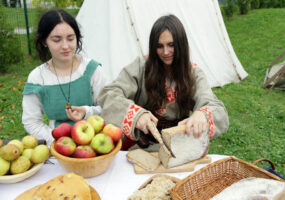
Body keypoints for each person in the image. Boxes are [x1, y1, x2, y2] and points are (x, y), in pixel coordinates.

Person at [98, 14, 229, 150]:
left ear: (181, 44)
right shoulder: (140, 66)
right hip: (142, 145)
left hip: (179, 145)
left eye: (171, 45)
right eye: (159, 46)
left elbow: (215, 107)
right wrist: (136, 114)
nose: (165, 52)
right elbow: (109, 93)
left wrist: (202, 114)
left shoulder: (193, 73)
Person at [22, 9, 106, 145]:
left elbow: (107, 108)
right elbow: (31, 121)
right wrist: (56, 140)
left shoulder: (93, 70)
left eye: (71, 38)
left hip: (95, 142)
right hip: (57, 145)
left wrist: (86, 112)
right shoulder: (37, 78)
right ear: (44, 41)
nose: (65, 46)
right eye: (56, 40)